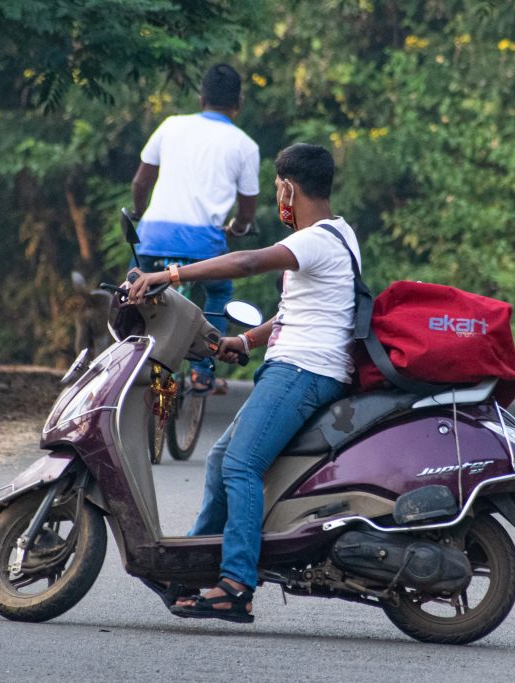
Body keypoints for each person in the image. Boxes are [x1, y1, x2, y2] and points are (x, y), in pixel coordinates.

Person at [128, 143, 361, 623]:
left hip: (303, 371)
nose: (278, 199)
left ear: (288, 189)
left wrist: (171, 274)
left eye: (277, 188)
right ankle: (191, 568)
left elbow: (248, 262)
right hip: (299, 367)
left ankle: (236, 584)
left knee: (241, 464)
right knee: (219, 460)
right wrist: (246, 340)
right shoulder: (341, 234)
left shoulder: (315, 239)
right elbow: (301, 312)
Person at [130, 63, 260, 394]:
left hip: (153, 239)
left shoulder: (170, 126)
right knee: (218, 292)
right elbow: (247, 210)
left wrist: (140, 213)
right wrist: (238, 228)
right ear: (239, 103)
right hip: (204, 246)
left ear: (201, 99)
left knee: (134, 290)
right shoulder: (245, 145)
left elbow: (140, 183)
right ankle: (203, 370)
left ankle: (128, 358)